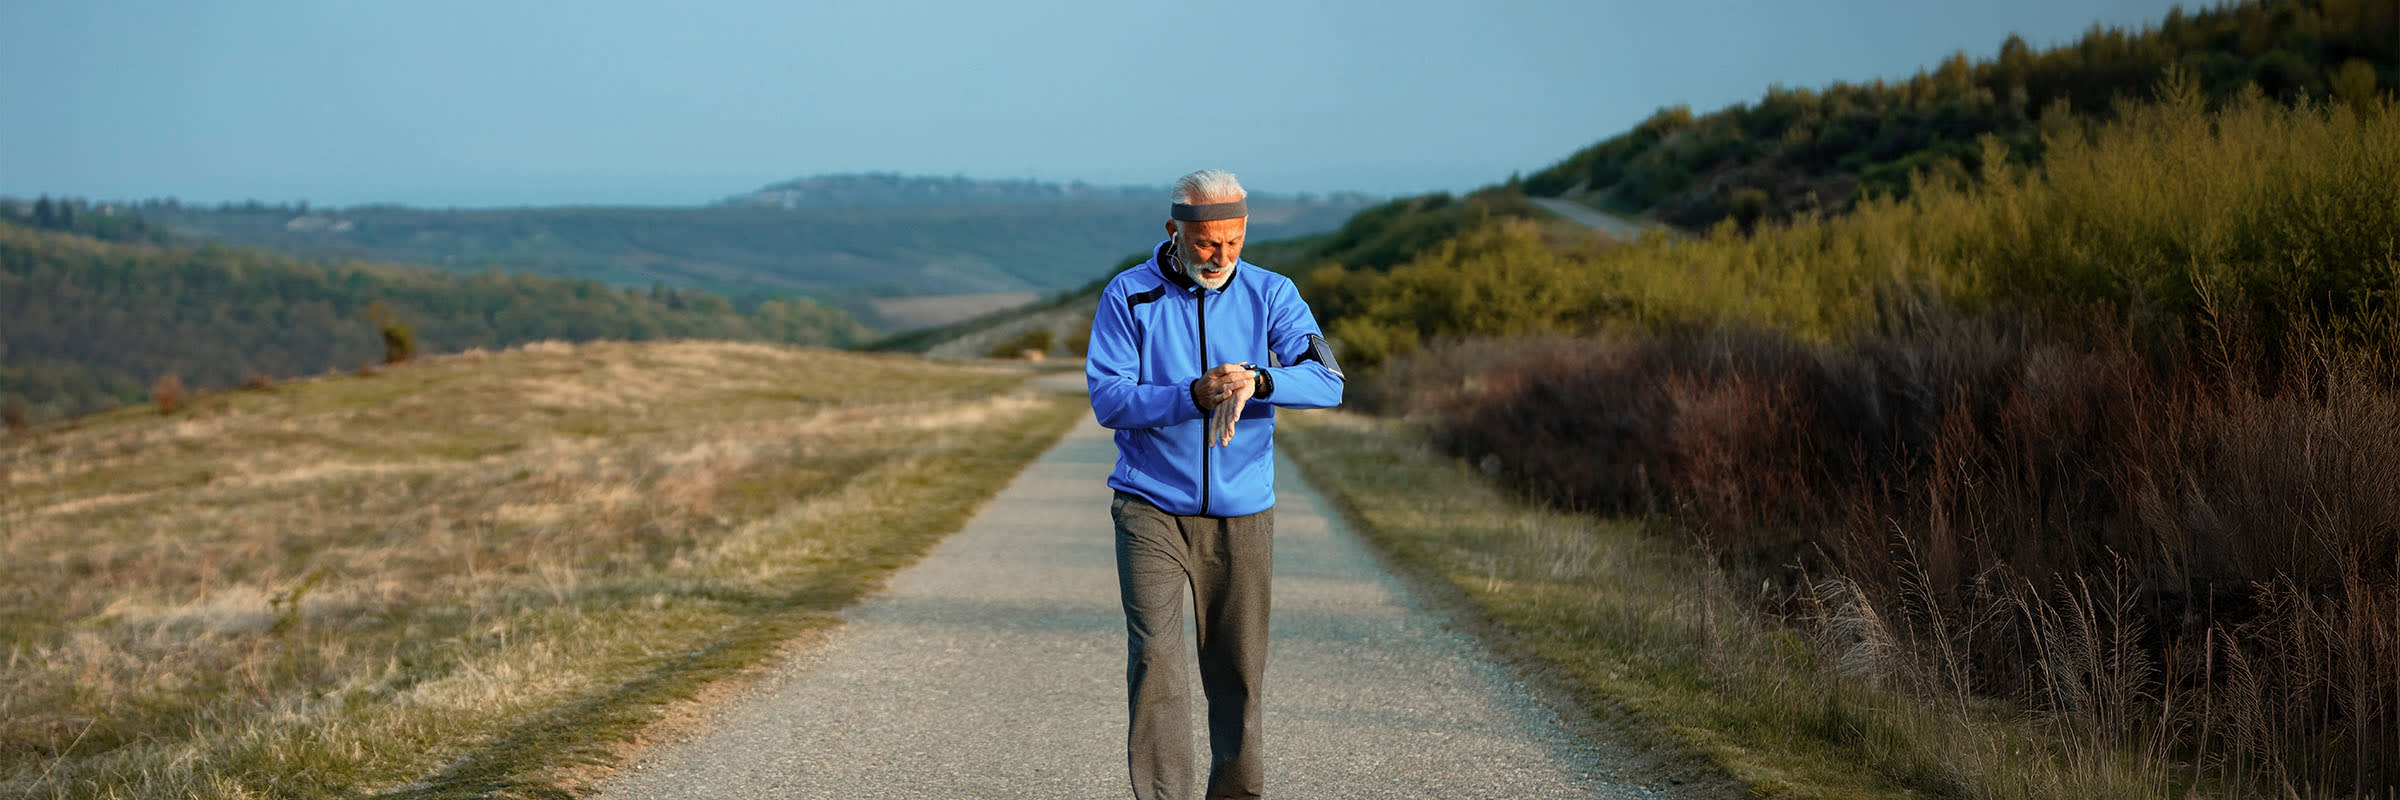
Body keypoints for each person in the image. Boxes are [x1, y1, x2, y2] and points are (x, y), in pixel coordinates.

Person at [1085, 169, 1345, 800]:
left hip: (1244, 514)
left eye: (1232, 242)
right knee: (1157, 665)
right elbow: (1108, 398)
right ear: (1175, 230)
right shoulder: (1129, 295)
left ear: (1245, 230)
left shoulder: (1274, 293)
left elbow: (1329, 381)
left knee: (1237, 675)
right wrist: (1191, 395)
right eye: (1205, 243)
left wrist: (1259, 379)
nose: (1220, 257)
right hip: (1150, 506)